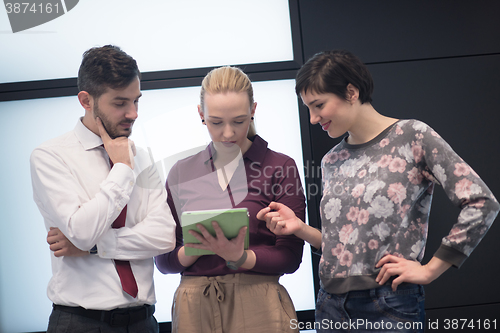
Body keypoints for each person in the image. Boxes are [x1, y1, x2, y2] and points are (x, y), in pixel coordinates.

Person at [257, 50, 499, 332]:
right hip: (330, 306)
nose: (313, 118)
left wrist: (431, 269)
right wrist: (299, 228)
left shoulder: (412, 136)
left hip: (389, 304)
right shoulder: (332, 160)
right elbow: (345, 245)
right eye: (308, 109)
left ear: (350, 91)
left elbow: (482, 203)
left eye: (318, 105)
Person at [30, 45, 176, 332]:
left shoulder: (143, 157)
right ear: (86, 100)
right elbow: (82, 231)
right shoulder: (50, 156)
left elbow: (164, 236)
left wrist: (96, 247)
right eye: (120, 103)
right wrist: (121, 169)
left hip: (144, 322)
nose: (133, 113)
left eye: (136, 101)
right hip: (80, 322)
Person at [154, 66, 306, 333]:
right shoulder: (181, 171)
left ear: (253, 110)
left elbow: (291, 257)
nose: (227, 133)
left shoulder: (280, 166)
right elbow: (163, 261)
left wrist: (241, 257)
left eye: (238, 121)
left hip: (260, 305)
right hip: (194, 308)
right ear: (201, 115)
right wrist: (194, 248)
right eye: (216, 122)